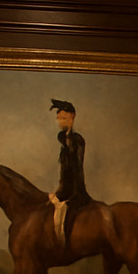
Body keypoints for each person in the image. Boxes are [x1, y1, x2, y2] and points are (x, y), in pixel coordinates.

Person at [48, 98, 87, 243]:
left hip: (74, 189)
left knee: (60, 211)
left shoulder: (77, 140)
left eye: (63, 118)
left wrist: (66, 192)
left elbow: (76, 168)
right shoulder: (63, 139)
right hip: (64, 187)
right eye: (58, 119)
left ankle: (60, 241)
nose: (60, 122)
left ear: (72, 118)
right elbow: (64, 170)